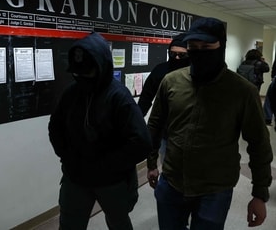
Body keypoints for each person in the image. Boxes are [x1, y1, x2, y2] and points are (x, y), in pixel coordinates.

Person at [146, 17, 273, 229]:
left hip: (214, 189)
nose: (199, 52)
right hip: (172, 182)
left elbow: (259, 143)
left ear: (220, 47)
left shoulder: (241, 91)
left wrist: (259, 194)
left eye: (206, 47)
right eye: (193, 47)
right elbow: (155, 125)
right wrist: (151, 163)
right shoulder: (171, 82)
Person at [48, 32, 152, 230]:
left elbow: (141, 142)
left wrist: (108, 165)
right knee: (70, 224)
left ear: (101, 67)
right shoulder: (71, 93)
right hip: (76, 177)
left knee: (118, 222)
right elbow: (55, 127)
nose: (82, 79)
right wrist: (67, 157)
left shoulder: (119, 97)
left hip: (111, 180)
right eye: (78, 74)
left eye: (88, 73)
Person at [138, 33, 190, 164]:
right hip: (166, 132)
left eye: (182, 55)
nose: (177, 58)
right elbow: (146, 98)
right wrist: (136, 121)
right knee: (168, 167)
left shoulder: (195, 72)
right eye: (173, 54)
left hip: (191, 133)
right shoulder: (161, 70)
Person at [263, 59, 276, 125]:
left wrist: (273, 76)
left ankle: (267, 118)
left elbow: (274, 68)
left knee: (269, 99)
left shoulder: (244, 63)